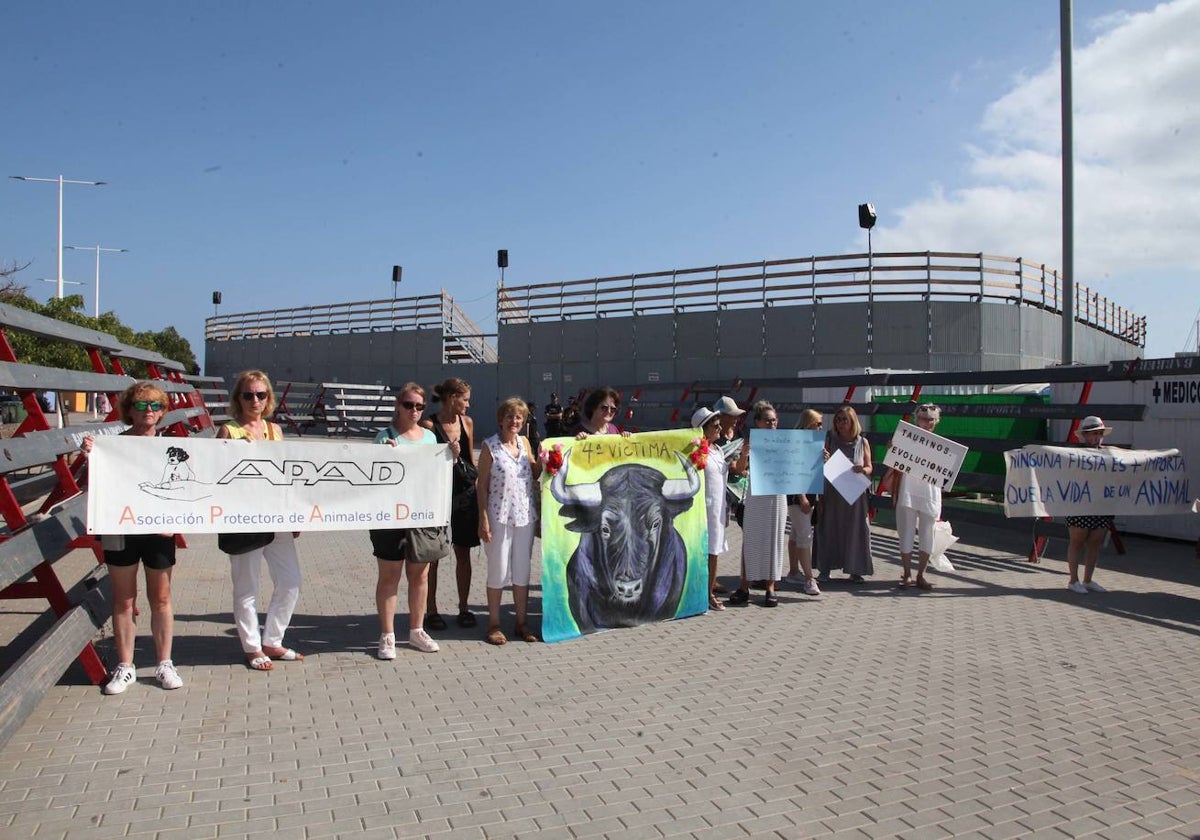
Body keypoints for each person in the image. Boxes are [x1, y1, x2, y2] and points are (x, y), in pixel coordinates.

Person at [81, 382, 183, 694]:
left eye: (154, 405)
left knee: (161, 598)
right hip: (119, 529)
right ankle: (125, 666)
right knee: (124, 600)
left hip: (158, 530)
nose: (148, 411)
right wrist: (90, 457)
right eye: (140, 405)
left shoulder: (174, 449)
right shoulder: (109, 446)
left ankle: (164, 663)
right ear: (129, 410)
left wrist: (177, 520)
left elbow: (186, 491)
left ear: (163, 411)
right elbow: (92, 486)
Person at [217, 370, 304, 671]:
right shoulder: (228, 431)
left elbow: (285, 475)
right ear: (238, 398)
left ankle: (273, 640)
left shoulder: (275, 430)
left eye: (261, 394)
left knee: (291, 581)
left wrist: (294, 515)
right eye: (248, 394)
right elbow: (217, 478)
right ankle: (252, 647)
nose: (255, 400)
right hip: (244, 518)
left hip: (276, 515)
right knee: (247, 587)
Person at [371, 384, 441, 657]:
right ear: (398, 406)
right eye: (409, 405)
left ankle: (416, 630)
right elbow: (371, 476)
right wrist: (384, 455)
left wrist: (453, 456)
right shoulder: (383, 437)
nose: (414, 411)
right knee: (390, 576)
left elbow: (436, 475)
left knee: (420, 575)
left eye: (420, 406)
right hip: (389, 516)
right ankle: (387, 635)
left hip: (420, 515)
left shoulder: (429, 438)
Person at [476, 397, 542, 644]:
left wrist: (548, 461)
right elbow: (481, 486)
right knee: (498, 569)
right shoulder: (489, 446)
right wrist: (482, 518)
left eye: (519, 417)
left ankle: (521, 623)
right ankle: (494, 623)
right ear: (500, 419)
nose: (514, 421)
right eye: (510, 416)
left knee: (522, 570)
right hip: (498, 514)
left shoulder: (525, 443)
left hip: (525, 515)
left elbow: (533, 472)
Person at [422, 378, 479, 630]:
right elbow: (425, 465)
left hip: (465, 496)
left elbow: (470, 461)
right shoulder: (429, 424)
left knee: (463, 552)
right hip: (438, 495)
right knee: (433, 556)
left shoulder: (466, 422)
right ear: (451, 398)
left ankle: (464, 607)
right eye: (464, 399)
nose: (468, 404)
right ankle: (431, 610)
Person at [728, 401, 787, 607]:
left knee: (773, 540)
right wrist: (745, 454)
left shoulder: (784, 442)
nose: (772, 424)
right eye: (767, 421)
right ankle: (744, 585)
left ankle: (770, 587)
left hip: (777, 495)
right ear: (758, 423)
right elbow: (740, 470)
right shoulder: (751, 442)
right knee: (751, 540)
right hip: (756, 494)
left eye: (774, 421)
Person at [816, 405, 874, 584]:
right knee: (829, 528)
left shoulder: (862, 442)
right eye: (838, 419)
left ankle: (855, 570)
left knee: (856, 529)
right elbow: (820, 464)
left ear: (852, 421)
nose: (840, 423)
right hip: (832, 492)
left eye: (844, 420)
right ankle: (825, 569)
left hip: (855, 494)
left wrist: (863, 469)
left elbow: (870, 467)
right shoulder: (829, 439)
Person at [893, 403, 944, 591]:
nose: (927, 422)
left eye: (931, 419)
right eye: (923, 419)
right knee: (905, 532)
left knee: (927, 535)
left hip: (930, 492)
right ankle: (906, 573)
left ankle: (921, 574)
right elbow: (893, 456)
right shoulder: (906, 438)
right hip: (908, 490)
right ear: (917, 419)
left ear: (936, 421)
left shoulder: (942, 446)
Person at [1065, 416, 1114, 594]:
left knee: (1095, 541)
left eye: (1099, 434)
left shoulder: (1109, 453)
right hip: (1079, 503)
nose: (1096, 438)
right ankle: (1073, 580)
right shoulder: (1073, 454)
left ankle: (1088, 579)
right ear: (1085, 435)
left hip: (1100, 504)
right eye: (1093, 434)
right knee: (1077, 541)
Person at [691, 407, 730, 612]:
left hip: (718, 506)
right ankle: (705, 594)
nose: (720, 428)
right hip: (704, 508)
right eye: (715, 426)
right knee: (706, 551)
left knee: (715, 550)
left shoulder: (718, 449)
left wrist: (726, 507)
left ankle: (708, 591)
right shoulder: (698, 450)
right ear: (703, 429)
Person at [783, 408, 823, 596]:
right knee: (805, 535)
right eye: (818, 424)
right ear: (809, 424)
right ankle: (809, 578)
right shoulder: (798, 443)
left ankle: (793, 571)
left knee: (796, 533)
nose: (820, 427)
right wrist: (802, 497)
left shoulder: (812, 443)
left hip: (808, 493)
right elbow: (794, 470)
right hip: (799, 496)